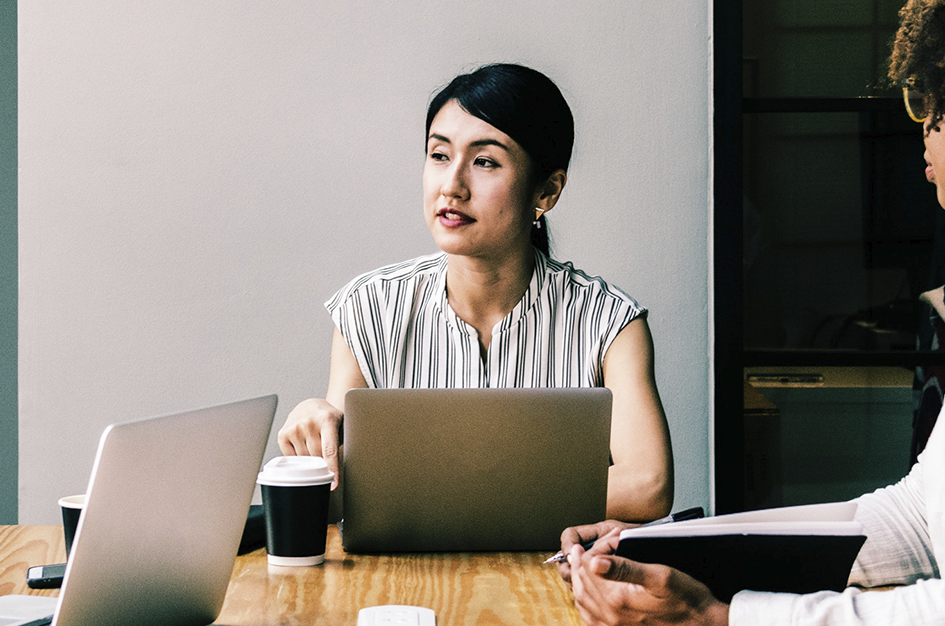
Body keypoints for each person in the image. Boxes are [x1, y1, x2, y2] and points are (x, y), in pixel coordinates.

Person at [561, 0, 945, 626]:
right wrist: (661, 545)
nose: (920, 123)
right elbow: (916, 520)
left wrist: (726, 624)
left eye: (927, 95)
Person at [277, 63, 674, 522]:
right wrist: (313, 423)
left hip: (553, 583)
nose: (452, 185)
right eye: (439, 155)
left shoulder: (609, 322)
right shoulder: (368, 309)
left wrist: (431, 490)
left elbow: (648, 485)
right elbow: (342, 491)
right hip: (404, 588)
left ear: (546, 191)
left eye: (485, 161)